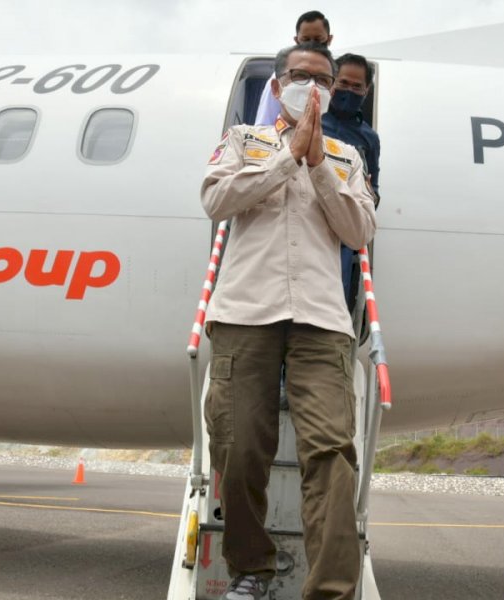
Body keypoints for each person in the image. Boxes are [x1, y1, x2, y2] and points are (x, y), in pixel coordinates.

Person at [201, 42, 376, 600]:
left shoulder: (348, 158)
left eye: (323, 80)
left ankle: (331, 590)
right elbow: (216, 199)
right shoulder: (242, 142)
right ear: (276, 87)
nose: (314, 87)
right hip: (245, 311)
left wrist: (318, 163)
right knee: (237, 446)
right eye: (301, 76)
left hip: (322, 320)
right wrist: (285, 158)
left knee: (331, 453)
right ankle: (251, 570)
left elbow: (359, 231)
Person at [321, 53, 381, 309]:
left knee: (333, 300)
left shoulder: (369, 138)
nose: (349, 91)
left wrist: (368, 197)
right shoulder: (311, 120)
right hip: (305, 218)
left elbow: (374, 189)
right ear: (332, 83)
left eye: (357, 87)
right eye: (343, 83)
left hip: (342, 232)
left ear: (366, 91)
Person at [254, 10, 333, 126]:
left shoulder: (338, 77)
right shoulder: (281, 77)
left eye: (318, 40)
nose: (311, 45)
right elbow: (264, 124)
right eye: (306, 40)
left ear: (329, 39)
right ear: (296, 41)